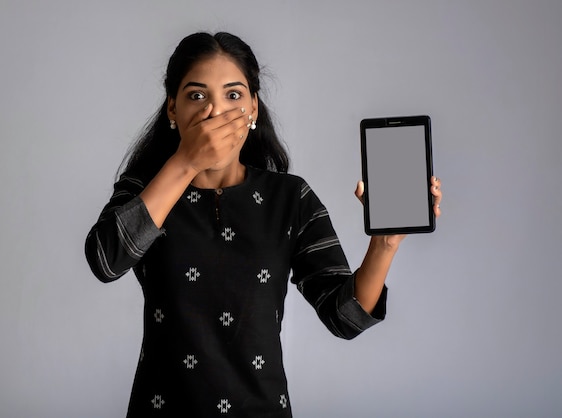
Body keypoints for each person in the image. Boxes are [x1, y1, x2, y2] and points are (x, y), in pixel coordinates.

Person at [85, 31, 442, 418]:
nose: (214, 112)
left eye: (233, 95)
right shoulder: (145, 189)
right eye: (197, 95)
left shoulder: (290, 198)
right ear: (172, 109)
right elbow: (105, 261)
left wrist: (385, 244)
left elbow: (346, 318)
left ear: (253, 109)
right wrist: (186, 163)